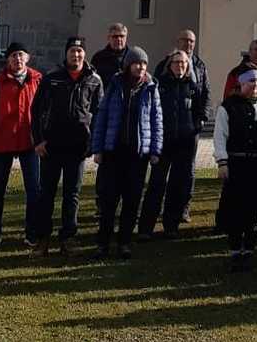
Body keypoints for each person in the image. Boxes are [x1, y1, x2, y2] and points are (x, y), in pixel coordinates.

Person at [31, 36, 103, 256]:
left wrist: (93, 143)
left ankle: (68, 238)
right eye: (72, 50)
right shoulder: (52, 78)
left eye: (80, 51)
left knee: (72, 194)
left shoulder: (94, 80)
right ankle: (43, 239)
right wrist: (38, 140)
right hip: (51, 145)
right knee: (46, 194)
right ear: (66, 53)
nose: (76, 54)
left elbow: (100, 114)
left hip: (78, 147)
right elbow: (36, 110)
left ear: (84, 54)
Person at [90, 45, 163, 258]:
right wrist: (98, 148)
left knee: (132, 200)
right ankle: (103, 243)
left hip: (138, 155)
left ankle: (124, 242)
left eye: (143, 63)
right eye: (136, 63)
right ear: (128, 65)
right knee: (108, 200)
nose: (140, 67)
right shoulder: (115, 85)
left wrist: (155, 149)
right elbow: (102, 116)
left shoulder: (151, 88)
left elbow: (157, 121)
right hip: (113, 152)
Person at [138, 47, 207, 239]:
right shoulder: (160, 85)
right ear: (170, 65)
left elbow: (200, 107)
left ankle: (171, 226)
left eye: (184, 63)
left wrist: (197, 125)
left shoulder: (192, 86)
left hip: (184, 143)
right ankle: (145, 228)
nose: (180, 66)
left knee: (177, 186)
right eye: (177, 62)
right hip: (164, 143)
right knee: (156, 184)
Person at [214, 66, 257, 272]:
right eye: (251, 81)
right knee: (235, 206)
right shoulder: (228, 107)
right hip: (235, 163)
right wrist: (222, 162)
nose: (255, 85)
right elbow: (220, 136)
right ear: (241, 83)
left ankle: (249, 249)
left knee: (252, 207)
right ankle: (235, 249)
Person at [0, 41, 43, 248]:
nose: (17, 59)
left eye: (21, 55)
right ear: (8, 59)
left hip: (30, 143)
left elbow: (44, 110)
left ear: (27, 58)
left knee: (33, 189)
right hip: (4, 144)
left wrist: (40, 136)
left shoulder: (38, 80)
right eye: (13, 55)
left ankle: (32, 232)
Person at [156, 27, 211, 224]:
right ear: (177, 41)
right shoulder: (165, 64)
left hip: (191, 128)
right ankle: (157, 207)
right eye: (185, 40)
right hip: (167, 129)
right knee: (161, 172)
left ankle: (183, 208)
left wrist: (202, 118)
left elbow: (205, 94)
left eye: (191, 41)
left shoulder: (200, 65)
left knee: (187, 171)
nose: (188, 44)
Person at [92, 24, 129, 89]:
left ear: (126, 38)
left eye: (122, 36)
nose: (119, 39)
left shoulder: (132, 56)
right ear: (108, 38)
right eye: (115, 36)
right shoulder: (98, 57)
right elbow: (92, 80)